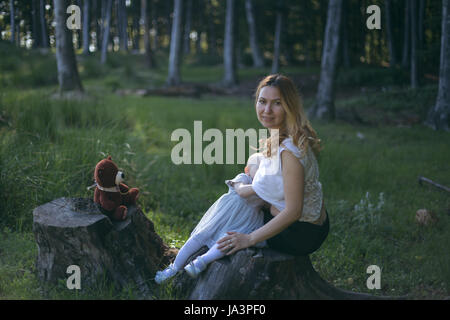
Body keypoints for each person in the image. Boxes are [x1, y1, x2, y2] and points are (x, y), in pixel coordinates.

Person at [217, 74, 329, 257]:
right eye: (262, 101)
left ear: (289, 107)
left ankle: (200, 253)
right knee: (244, 201)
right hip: (309, 223)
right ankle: (202, 247)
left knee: (237, 207)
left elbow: (293, 211)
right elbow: (259, 162)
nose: (267, 110)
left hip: (301, 233)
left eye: (277, 103)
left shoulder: (290, 151)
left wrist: (249, 238)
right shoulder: (282, 136)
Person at [154, 153, 267, 284]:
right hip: (221, 219)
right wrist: (261, 187)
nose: (263, 175)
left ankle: (202, 262)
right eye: (260, 169)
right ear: (247, 170)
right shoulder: (243, 179)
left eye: (266, 172)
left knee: (226, 242)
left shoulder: (265, 191)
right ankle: (173, 268)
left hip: (241, 224)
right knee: (198, 238)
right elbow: (241, 191)